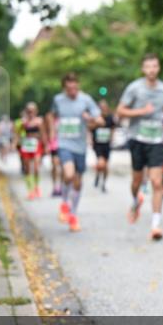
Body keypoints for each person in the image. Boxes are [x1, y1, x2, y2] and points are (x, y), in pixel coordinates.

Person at [117, 53, 163, 240]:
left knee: (157, 182)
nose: (151, 70)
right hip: (137, 138)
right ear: (143, 69)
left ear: (158, 68)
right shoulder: (134, 88)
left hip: (157, 139)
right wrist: (142, 111)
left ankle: (156, 225)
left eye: (155, 66)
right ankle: (135, 200)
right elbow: (120, 111)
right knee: (136, 181)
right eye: (148, 66)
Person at [48, 73, 103, 232]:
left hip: (80, 146)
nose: (72, 91)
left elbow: (99, 120)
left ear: (78, 85)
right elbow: (51, 116)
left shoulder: (86, 100)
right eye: (68, 88)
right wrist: (52, 132)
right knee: (68, 174)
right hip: (64, 143)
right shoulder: (58, 100)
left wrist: (90, 119)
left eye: (74, 87)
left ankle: (73, 215)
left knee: (78, 181)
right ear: (64, 88)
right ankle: (65, 203)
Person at [15, 102, 46, 199]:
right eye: (28, 111)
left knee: (36, 168)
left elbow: (43, 134)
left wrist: (46, 146)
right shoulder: (23, 122)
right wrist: (16, 143)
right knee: (27, 169)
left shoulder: (39, 121)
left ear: (36, 111)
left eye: (32, 111)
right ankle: (30, 190)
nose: (30, 113)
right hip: (26, 146)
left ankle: (36, 187)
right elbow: (18, 134)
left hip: (37, 145)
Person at [92, 99, 116, 193]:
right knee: (101, 163)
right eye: (101, 107)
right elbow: (89, 127)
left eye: (104, 107)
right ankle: (98, 174)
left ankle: (103, 183)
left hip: (107, 144)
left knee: (105, 165)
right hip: (98, 144)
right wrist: (96, 123)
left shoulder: (110, 118)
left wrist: (112, 138)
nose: (103, 109)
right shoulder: (96, 117)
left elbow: (113, 128)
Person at [46, 114, 63, 197]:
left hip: (65, 145)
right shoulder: (50, 117)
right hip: (54, 145)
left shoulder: (67, 116)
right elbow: (48, 132)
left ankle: (62, 187)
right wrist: (48, 145)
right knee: (55, 166)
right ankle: (55, 187)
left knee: (63, 167)